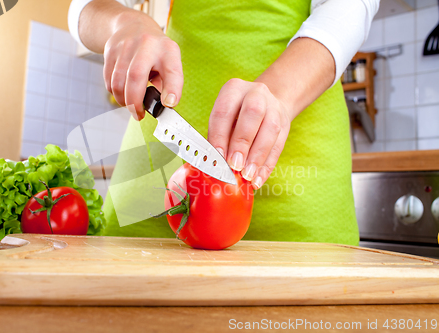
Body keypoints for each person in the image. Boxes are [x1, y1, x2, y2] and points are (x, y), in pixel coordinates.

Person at [68, 0, 380, 246]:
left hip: (299, 160)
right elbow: (83, 7)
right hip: (152, 174)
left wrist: (280, 95)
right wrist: (123, 22)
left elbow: (352, 5)